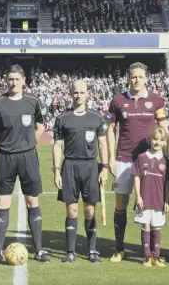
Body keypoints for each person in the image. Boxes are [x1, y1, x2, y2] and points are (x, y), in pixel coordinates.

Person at [0, 64, 50, 263]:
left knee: (32, 201)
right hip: (5, 157)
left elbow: (40, 125)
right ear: (7, 80)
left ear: (23, 80)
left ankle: (39, 250)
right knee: (3, 202)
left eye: (16, 79)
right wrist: (6, 144)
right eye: (10, 79)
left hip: (28, 157)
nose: (13, 82)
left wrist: (30, 143)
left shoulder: (33, 101)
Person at [106, 62, 168, 262]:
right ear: (128, 77)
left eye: (140, 77)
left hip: (148, 161)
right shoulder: (118, 100)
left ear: (146, 78)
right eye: (133, 76)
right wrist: (109, 159)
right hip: (123, 159)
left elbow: (164, 129)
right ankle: (119, 248)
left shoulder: (156, 101)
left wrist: (167, 158)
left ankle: (151, 254)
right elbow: (110, 130)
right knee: (121, 205)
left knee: (151, 206)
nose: (137, 80)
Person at [52, 80, 109, 263]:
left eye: (82, 92)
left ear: (87, 94)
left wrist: (105, 167)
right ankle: (70, 251)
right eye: (75, 92)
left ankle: (92, 250)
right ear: (71, 93)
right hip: (69, 166)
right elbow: (57, 145)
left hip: (91, 166)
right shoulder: (63, 118)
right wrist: (56, 170)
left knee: (90, 210)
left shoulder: (96, 117)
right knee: (72, 209)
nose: (79, 96)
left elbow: (102, 143)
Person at [132, 126, 169, 267]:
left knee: (157, 226)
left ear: (165, 142)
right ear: (150, 139)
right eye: (155, 139)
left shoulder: (166, 160)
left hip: (159, 200)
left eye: (161, 140)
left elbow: (167, 183)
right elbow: (136, 177)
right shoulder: (142, 157)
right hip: (145, 198)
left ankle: (157, 255)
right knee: (146, 225)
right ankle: (146, 255)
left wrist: (167, 201)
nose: (158, 142)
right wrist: (138, 197)